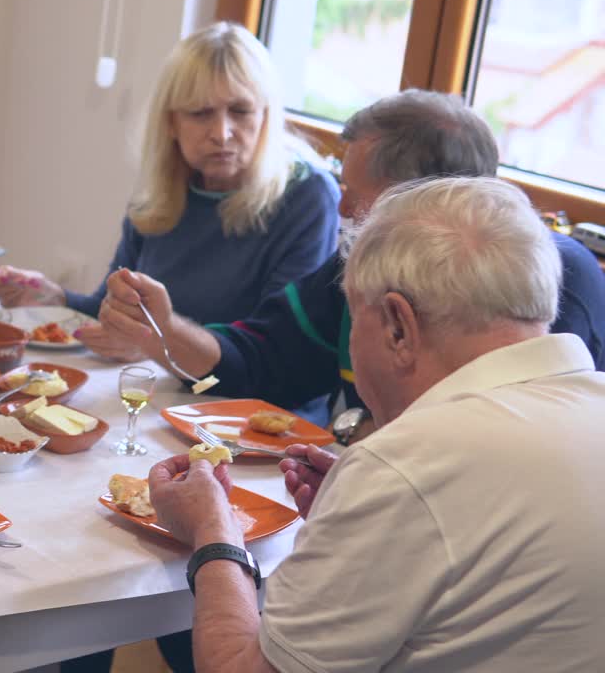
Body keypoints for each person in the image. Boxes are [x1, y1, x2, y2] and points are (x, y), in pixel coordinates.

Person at [149, 176, 605, 671]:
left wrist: (214, 531)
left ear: (397, 326)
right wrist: (358, 511)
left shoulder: (408, 464)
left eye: (353, 317)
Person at [98, 90, 605, 440]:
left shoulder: (551, 279)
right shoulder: (363, 266)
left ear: (425, 203)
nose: (341, 211)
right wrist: (164, 329)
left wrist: (362, 438)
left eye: (357, 196)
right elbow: (258, 363)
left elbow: (502, 440)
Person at [0, 21, 339, 371]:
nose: (223, 133)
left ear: (266, 115)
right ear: (171, 123)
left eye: (241, 111)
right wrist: (54, 298)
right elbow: (114, 312)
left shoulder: (308, 197)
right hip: (170, 393)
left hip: (252, 411)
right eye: (200, 113)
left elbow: (271, 349)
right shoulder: (162, 191)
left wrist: (160, 344)